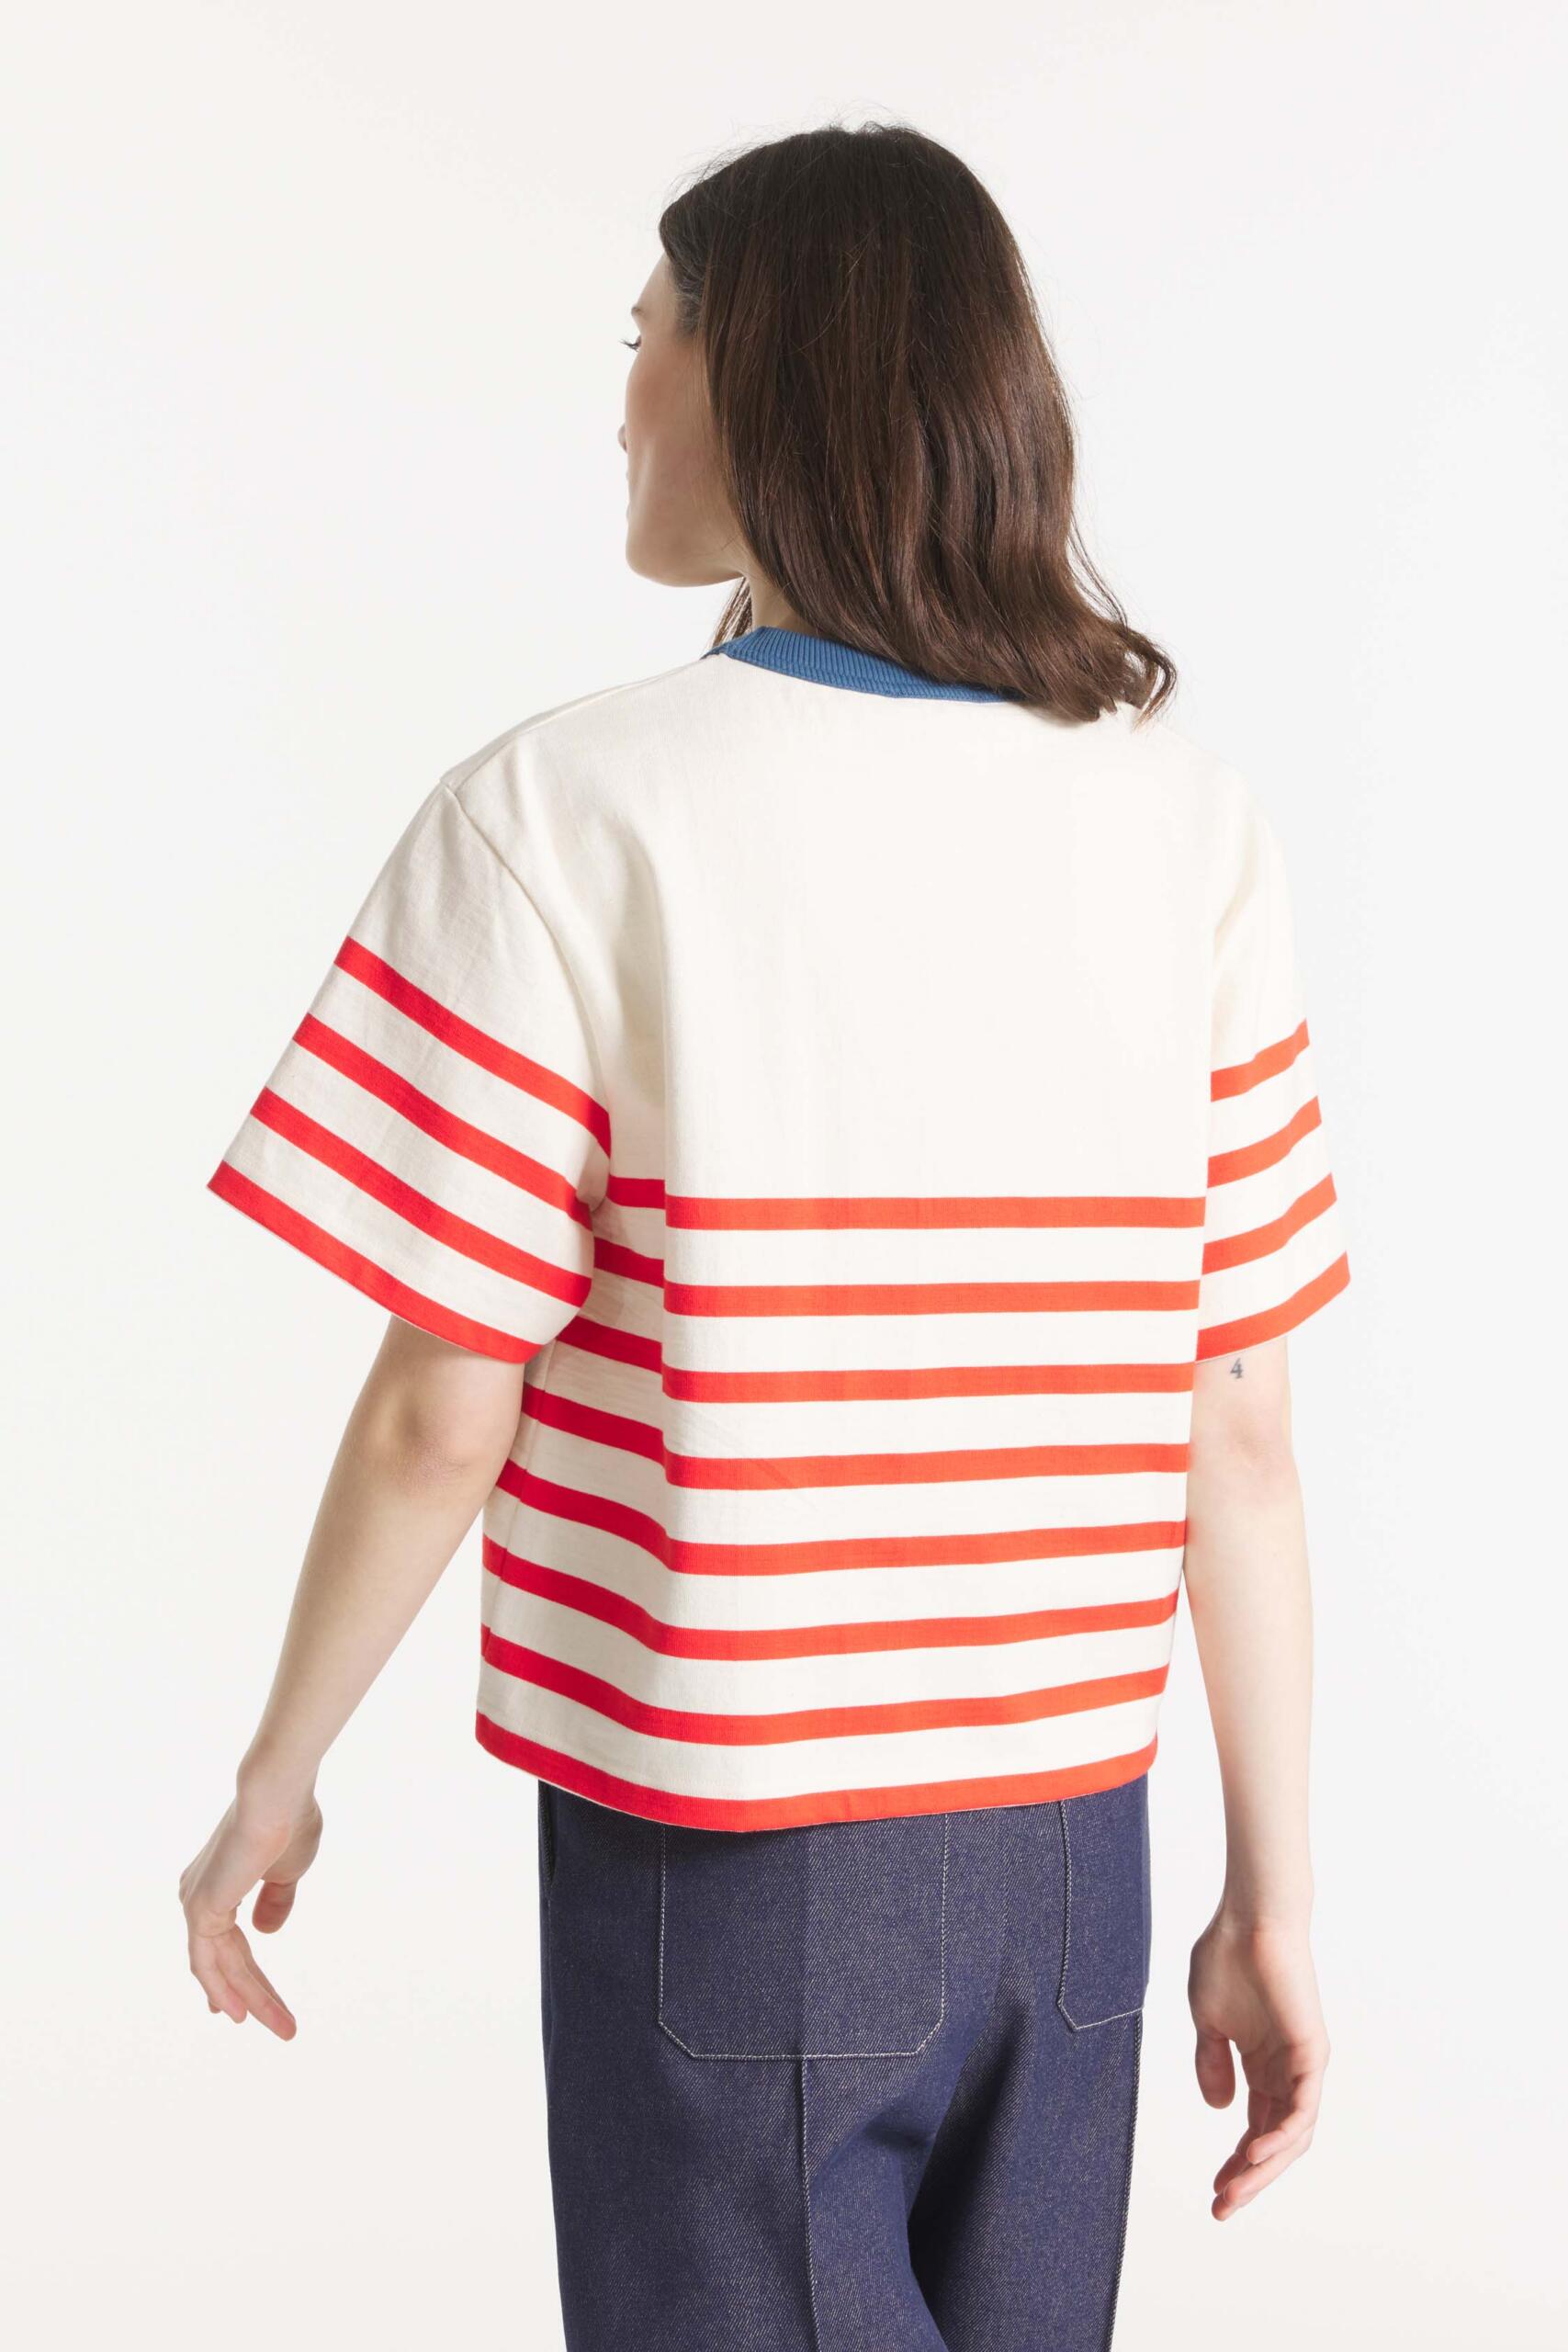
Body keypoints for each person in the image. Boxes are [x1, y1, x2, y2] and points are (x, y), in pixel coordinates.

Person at [180, 120, 1352, 2351]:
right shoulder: (1183, 822)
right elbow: (1240, 1423)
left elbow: (445, 1403)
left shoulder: (564, 811)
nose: (618, 397)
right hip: (1072, 1861)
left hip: (738, 1850)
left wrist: (273, 1776)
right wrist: (1269, 1890)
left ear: (765, 376)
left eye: (646, 338)